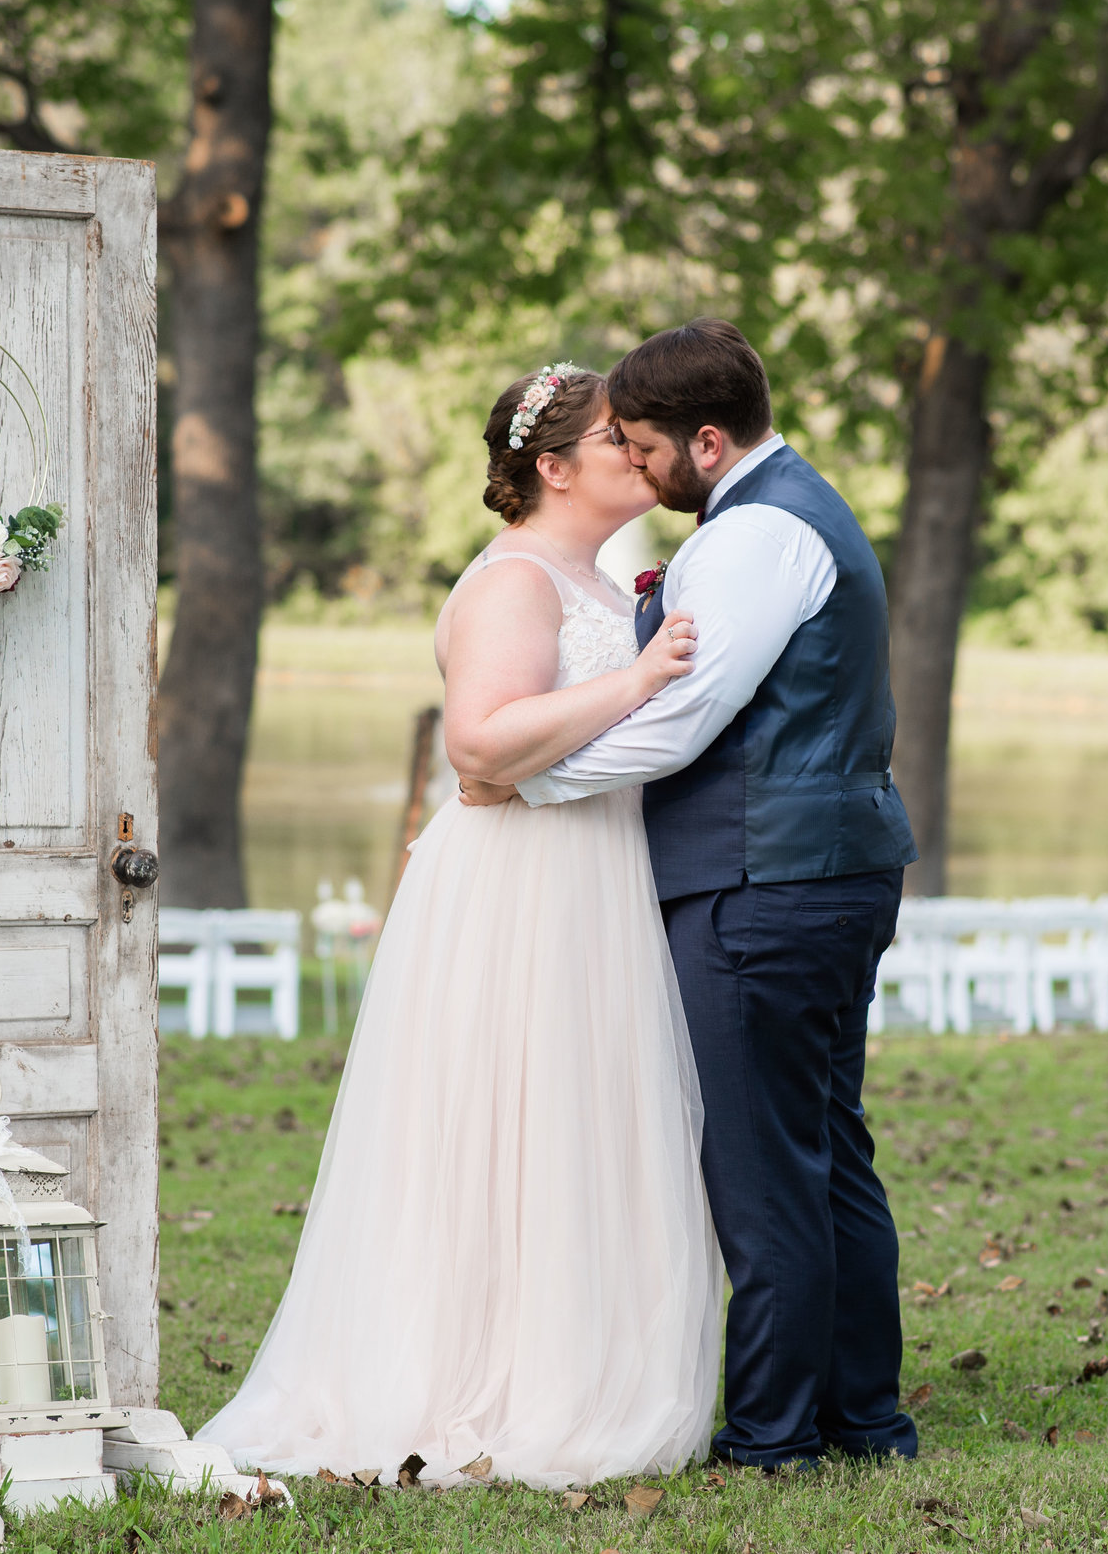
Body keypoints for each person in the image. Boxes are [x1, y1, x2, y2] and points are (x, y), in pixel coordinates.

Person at [196, 364, 723, 1489]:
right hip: (517, 886)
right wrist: (635, 683)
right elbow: (480, 750)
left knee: (576, 1126)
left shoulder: (603, 577)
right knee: (498, 1126)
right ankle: (464, 1377)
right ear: (551, 466)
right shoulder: (512, 583)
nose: (641, 454)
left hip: (591, 873)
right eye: (617, 440)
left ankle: (571, 1368)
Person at [474, 318, 920, 1472]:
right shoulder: (784, 508)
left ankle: (775, 1435)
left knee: (767, 1165)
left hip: (763, 879)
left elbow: (677, 722)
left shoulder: (753, 536)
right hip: (816, 865)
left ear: (707, 440)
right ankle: (861, 1417)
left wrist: (534, 786)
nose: (633, 459)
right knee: (822, 1146)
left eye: (643, 442)